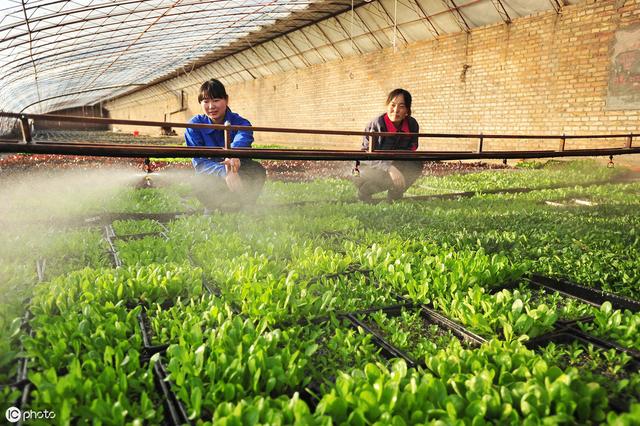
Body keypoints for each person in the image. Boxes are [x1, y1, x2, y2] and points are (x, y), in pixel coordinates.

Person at [185, 79, 266, 211]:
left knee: (257, 170)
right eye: (206, 101)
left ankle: (246, 205)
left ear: (226, 100)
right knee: (198, 180)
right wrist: (225, 172)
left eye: (216, 100)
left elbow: (243, 136)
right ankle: (212, 207)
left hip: (239, 171)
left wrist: (232, 156)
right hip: (214, 173)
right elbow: (200, 163)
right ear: (200, 103)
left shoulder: (240, 122)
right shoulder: (194, 126)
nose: (211, 106)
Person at [353, 88, 422, 202]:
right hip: (367, 169)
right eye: (393, 105)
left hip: (395, 164)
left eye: (401, 106)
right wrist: (389, 168)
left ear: (407, 110)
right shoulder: (375, 125)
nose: (396, 110)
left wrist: (398, 167)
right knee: (388, 175)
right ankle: (364, 192)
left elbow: (412, 148)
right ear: (387, 106)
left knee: (415, 165)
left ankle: (393, 199)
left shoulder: (412, 125)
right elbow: (366, 155)